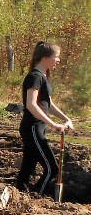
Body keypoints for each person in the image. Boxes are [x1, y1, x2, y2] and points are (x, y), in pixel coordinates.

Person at [15, 41, 74, 195]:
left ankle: (18, 196)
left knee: (28, 167)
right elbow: (31, 105)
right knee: (52, 169)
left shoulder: (43, 76)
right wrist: (53, 124)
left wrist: (66, 118)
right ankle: (36, 198)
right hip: (33, 128)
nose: (58, 60)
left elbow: (48, 103)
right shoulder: (35, 77)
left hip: (36, 128)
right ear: (45, 58)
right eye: (57, 57)